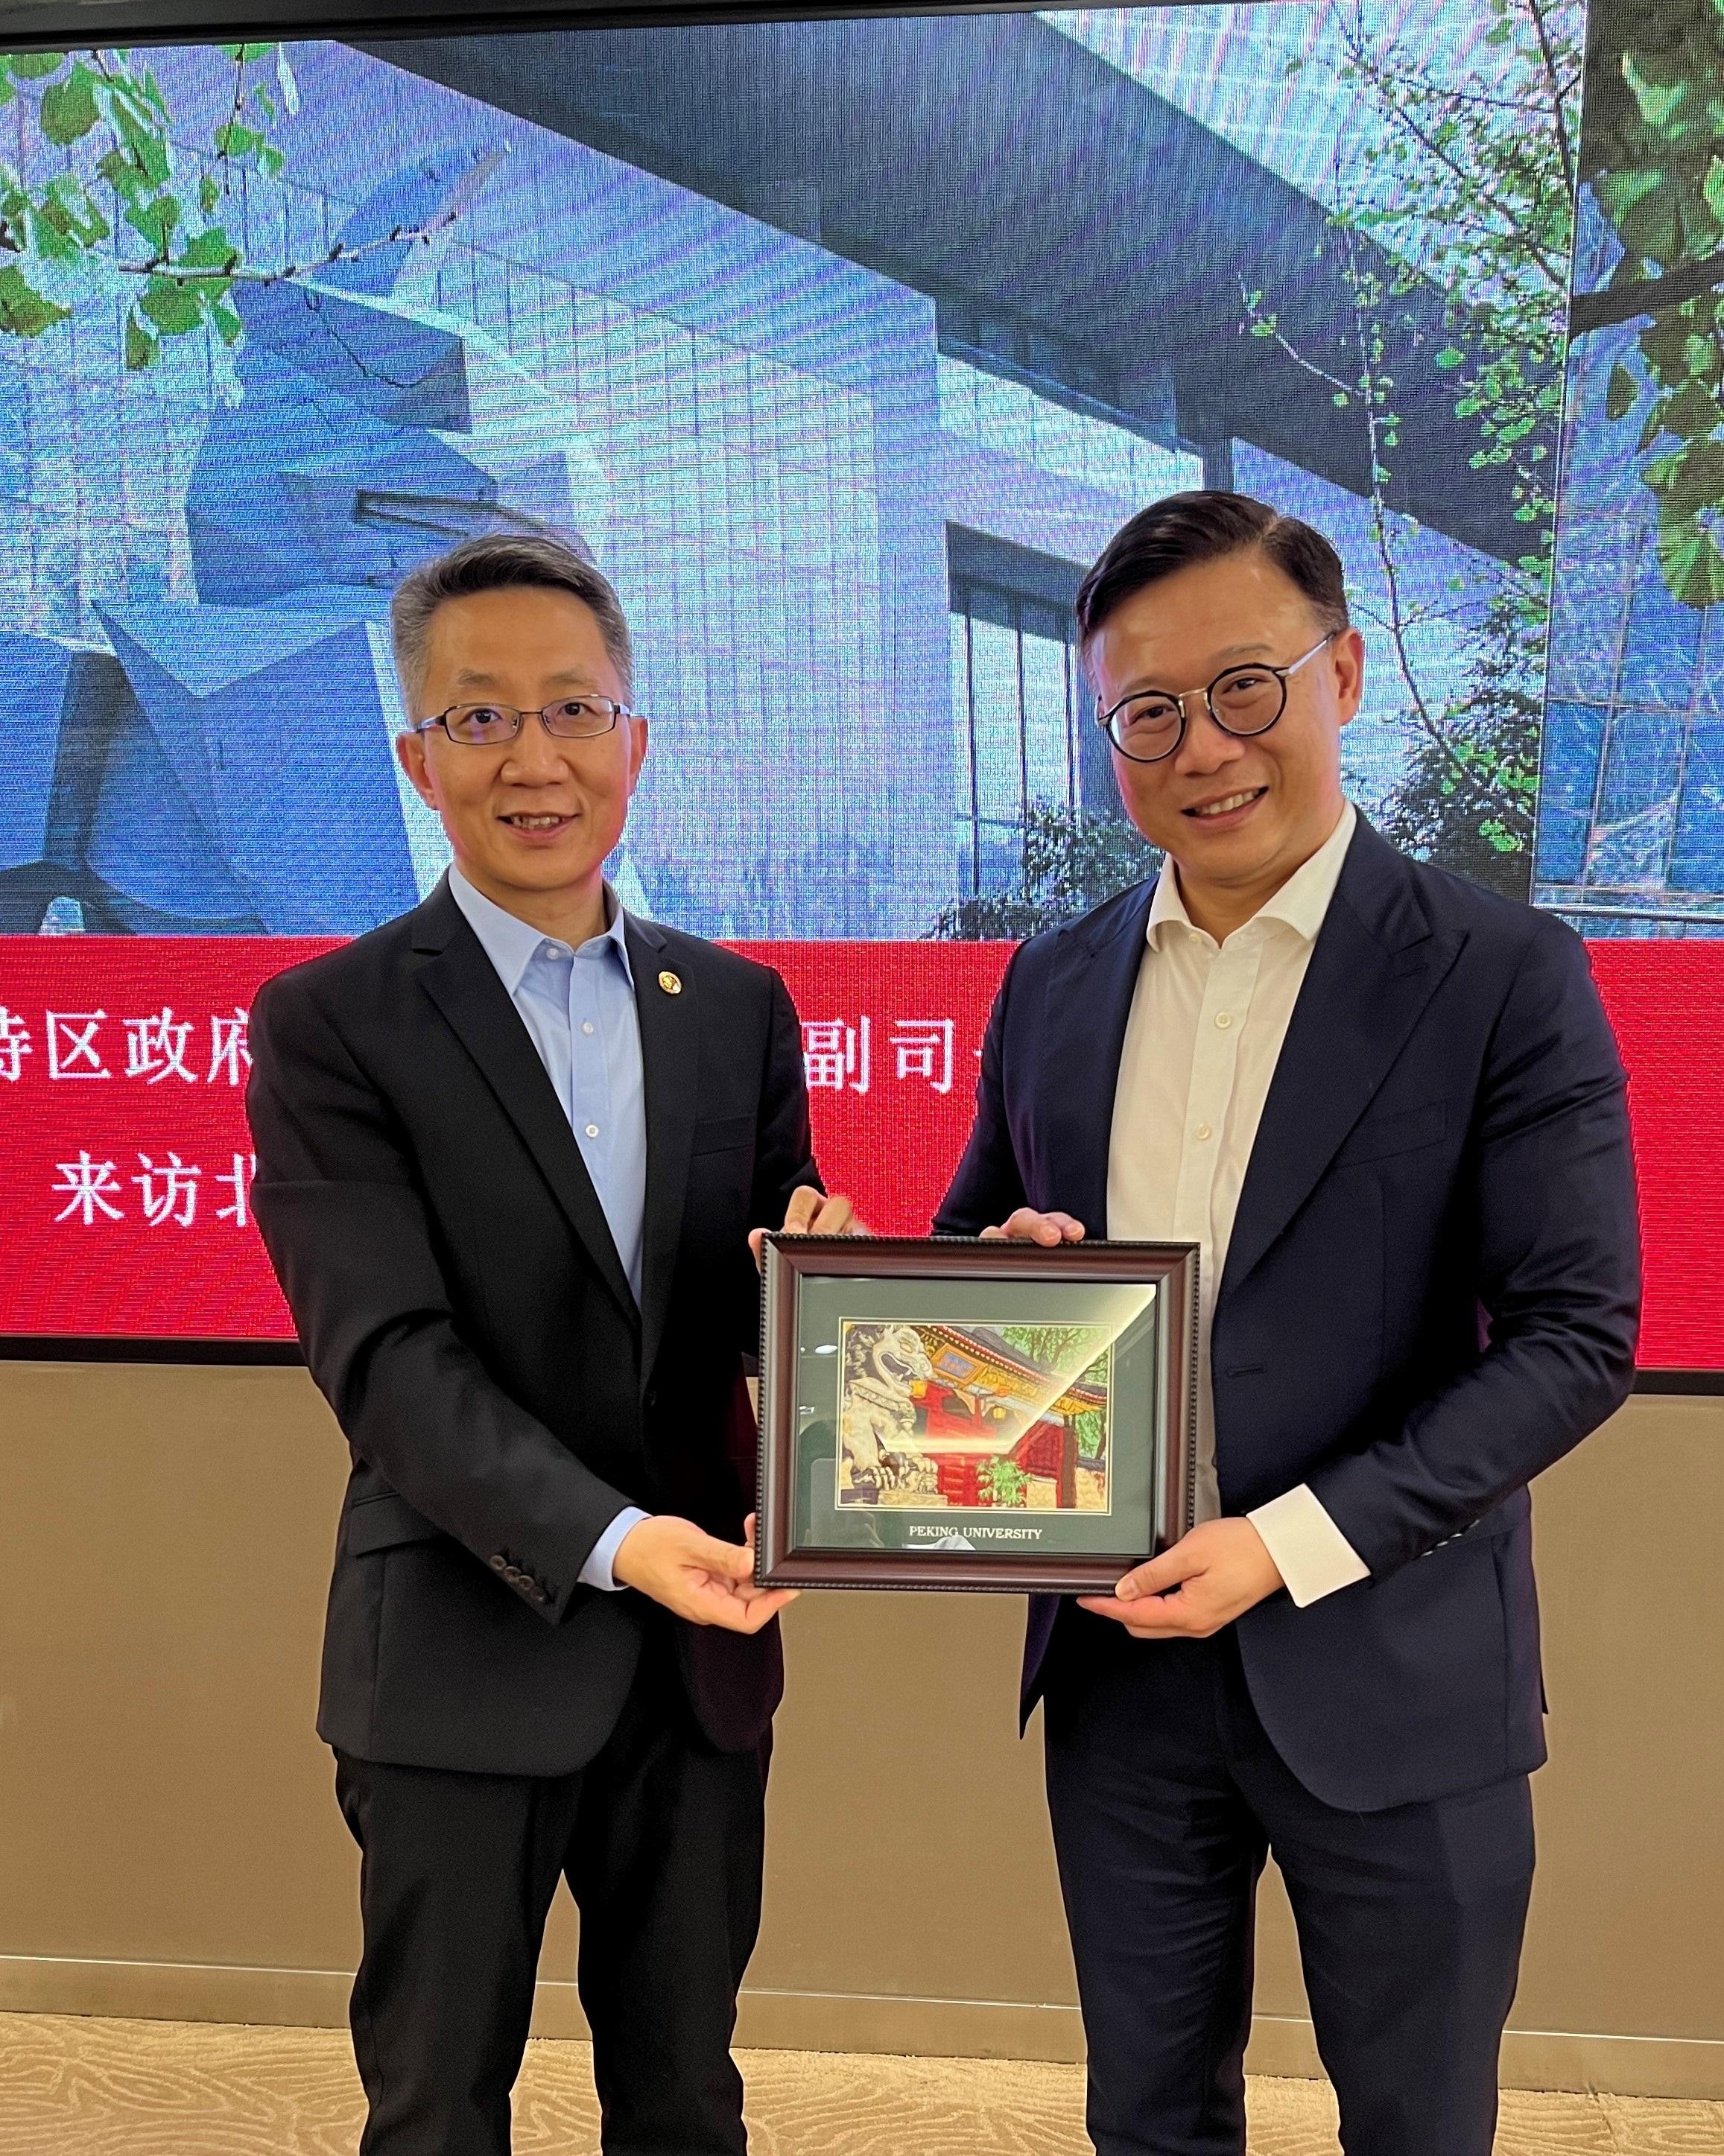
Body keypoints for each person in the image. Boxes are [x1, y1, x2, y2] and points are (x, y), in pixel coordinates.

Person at [934, 492, 1641, 2156]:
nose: (1202, 746)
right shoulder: (1049, 980)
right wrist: (999, 1273)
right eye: (1146, 712)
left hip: (1392, 1664)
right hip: (1114, 1672)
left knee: (1413, 2121)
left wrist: (1285, 1541)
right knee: (1148, 2119)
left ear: (1340, 670)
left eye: (1243, 686)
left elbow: (1570, 1334)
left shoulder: (1499, 971)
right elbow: (974, 1237)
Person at [246, 531, 853, 2156]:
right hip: (457, 1649)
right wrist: (617, 1540)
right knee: (439, 2107)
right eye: (479, 716)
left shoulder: (735, 1004)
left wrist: (840, 1298)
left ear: (634, 739)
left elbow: (742, 1310)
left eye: (573, 708)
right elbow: (387, 1360)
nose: (534, 757)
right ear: (415, 757)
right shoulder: (330, 1022)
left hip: (701, 1658)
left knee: (685, 2098)